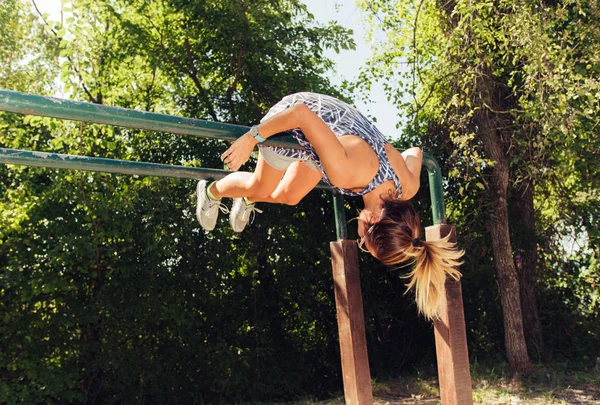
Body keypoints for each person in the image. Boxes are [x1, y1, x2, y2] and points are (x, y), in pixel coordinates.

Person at [196, 92, 463, 320]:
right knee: (261, 186)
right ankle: (211, 192)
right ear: (371, 219)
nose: (359, 241)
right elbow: (299, 114)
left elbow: (413, 153)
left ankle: (247, 201)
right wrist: (252, 137)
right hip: (294, 120)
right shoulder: (346, 174)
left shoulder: (407, 188)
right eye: (363, 242)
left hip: (326, 141)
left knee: (289, 196)